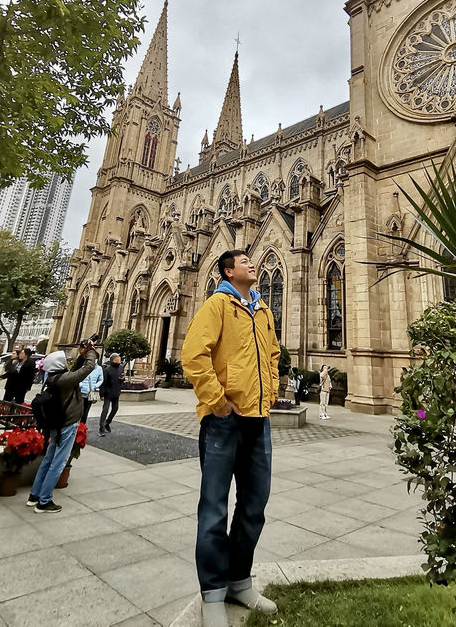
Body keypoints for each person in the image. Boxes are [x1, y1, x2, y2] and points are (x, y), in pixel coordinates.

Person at [181, 249, 280, 627]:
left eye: (253, 261)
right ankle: (212, 595)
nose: (252, 264)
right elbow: (193, 354)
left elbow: (272, 354)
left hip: (259, 418)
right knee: (214, 510)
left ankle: (240, 581)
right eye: (244, 261)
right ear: (228, 271)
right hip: (223, 422)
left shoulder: (263, 310)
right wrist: (217, 400)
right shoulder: (218, 304)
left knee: (254, 506)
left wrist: (269, 394)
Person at [27, 345, 96, 513]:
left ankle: (34, 496)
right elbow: (88, 368)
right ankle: (44, 502)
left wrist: (82, 354)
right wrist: (91, 352)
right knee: (58, 464)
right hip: (67, 425)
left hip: (57, 425)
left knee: (48, 460)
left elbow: (74, 370)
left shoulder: (54, 377)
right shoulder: (64, 380)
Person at [98, 353, 123, 436]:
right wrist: (101, 394)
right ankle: (101, 429)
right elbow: (103, 383)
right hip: (108, 393)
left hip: (116, 392)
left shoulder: (121, 368)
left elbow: (121, 378)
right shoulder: (107, 370)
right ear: (112, 360)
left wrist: (122, 379)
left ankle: (107, 422)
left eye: (119, 359)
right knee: (105, 410)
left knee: (115, 409)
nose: (118, 361)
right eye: (117, 359)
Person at [80, 346, 103, 423]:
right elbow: (78, 377)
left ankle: (82, 427)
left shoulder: (99, 369)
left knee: (86, 411)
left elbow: (101, 380)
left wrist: (95, 386)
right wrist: (81, 385)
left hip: (90, 392)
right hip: (81, 392)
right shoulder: (83, 366)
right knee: (79, 411)